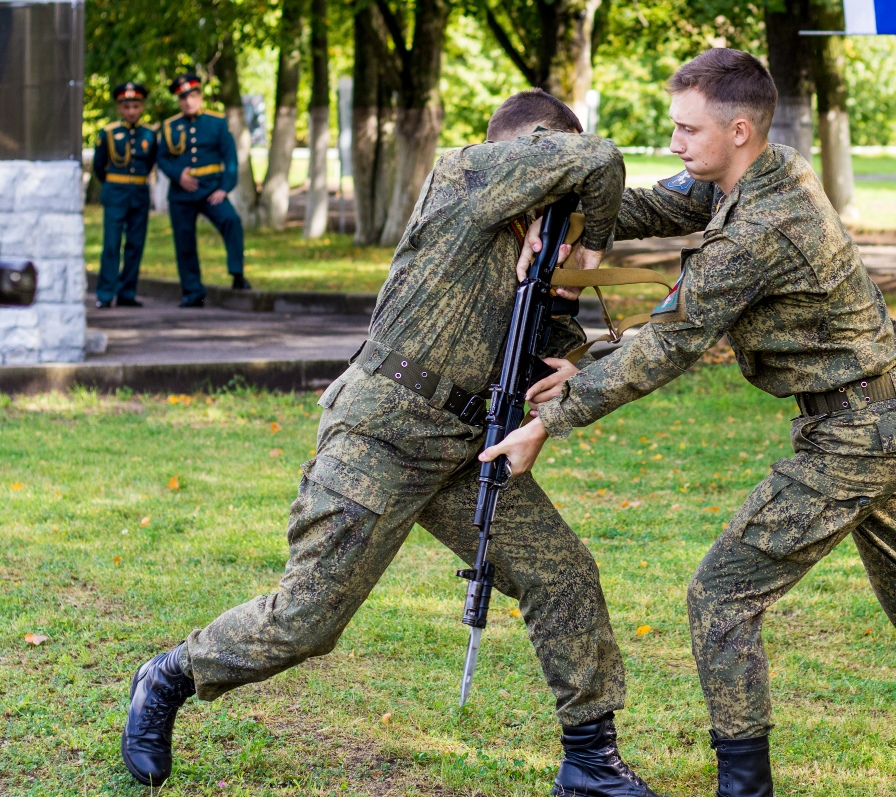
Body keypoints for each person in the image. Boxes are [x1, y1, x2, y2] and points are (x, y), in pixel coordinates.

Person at [485, 49, 896, 797]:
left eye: (687, 129)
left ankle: (745, 790)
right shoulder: (768, 172)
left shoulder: (758, 232)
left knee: (721, 596)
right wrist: (571, 212)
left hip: (857, 435)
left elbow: (670, 344)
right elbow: (660, 206)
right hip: (893, 416)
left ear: (738, 129)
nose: (675, 142)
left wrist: (553, 413)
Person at [120, 89, 661, 797]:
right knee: (307, 619)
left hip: (470, 444)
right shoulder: (465, 178)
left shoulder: (540, 244)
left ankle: (590, 759)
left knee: (563, 573)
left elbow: (545, 346)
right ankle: (169, 674)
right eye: (542, 169)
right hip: (382, 432)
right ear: (519, 154)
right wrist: (588, 238)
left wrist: (568, 339)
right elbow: (598, 156)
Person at [157, 73, 249, 308]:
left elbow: (230, 158)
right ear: (179, 100)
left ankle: (237, 274)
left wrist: (224, 188)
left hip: (211, 190)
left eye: (192, 96)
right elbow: (163, 158)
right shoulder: (170, 126)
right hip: (182, 194)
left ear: (199, 97)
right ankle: (192, 292)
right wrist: (179, 175)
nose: (188, 102)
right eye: (183, 97)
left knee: (231, 221)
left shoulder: (216, 122)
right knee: (184, 241)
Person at [91, 81, 158, 309]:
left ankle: (127, 292)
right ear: (120, 108)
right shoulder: (108, 133)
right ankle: (105, 293)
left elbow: (149, 163)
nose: (131, 111)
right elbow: (99, 167)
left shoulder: (149, 134)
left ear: (142, 108)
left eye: (135, 106)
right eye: (126, 106)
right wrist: (113, 185)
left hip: (139, 193)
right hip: (115, 193)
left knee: (135, 244)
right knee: (111, 244)